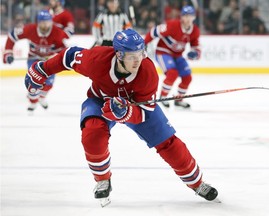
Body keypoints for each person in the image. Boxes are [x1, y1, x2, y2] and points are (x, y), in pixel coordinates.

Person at [24, 28, 218, 207]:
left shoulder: (148, 72)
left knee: (168, 142)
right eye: (133, 56)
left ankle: (197, 183)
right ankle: (102, 181)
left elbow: (144, 113)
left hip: (137, 107)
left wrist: (126, 113)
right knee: (92, 133)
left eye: (141, 54)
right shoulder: (97, 59)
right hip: (101, 100)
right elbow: (69, 56)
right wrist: (42, 69)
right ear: (119, 54)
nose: (138, 61)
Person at [3, 10, 69, 112]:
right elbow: (12, 36)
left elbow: (64, 49)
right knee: (33, 82)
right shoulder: (30, 29)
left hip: (50, 61)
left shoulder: (58, 32)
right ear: (38, 22)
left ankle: (42, 97)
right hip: (33, 59)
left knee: (49, 84)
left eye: (47, 21)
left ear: (51, 21)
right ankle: (33, 102)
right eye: (42, 22)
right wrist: (8, 53)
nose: (45, 24)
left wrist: (57, 54)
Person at [144, 5, 201, 109]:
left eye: (190, 16)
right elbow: (154, 32)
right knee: (172, 73)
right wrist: (144, 43)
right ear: (182, 17)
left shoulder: (195, 31)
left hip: (177, 55)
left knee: (187, 77)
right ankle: (163, 97)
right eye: (185, 16)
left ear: (194, 17)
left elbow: (196, 47)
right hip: (163, 52)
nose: (188, 19)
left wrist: (195, 53)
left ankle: (178, 100)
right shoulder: (172, 25)